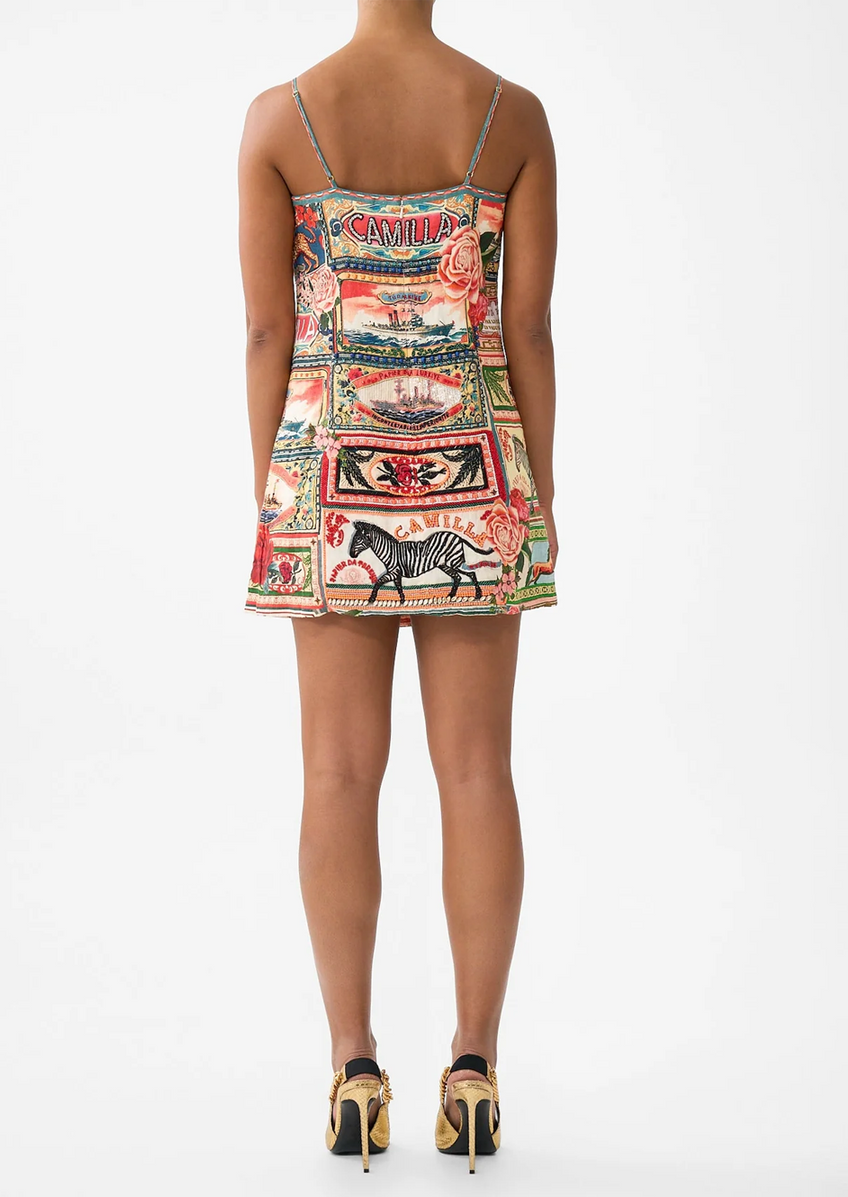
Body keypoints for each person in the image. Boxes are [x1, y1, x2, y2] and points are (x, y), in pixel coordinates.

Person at [237, 0, 558, 1173]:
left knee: (337, 773)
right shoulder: (511, 117)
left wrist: (277, 496)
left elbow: (267, 333)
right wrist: (536, 497)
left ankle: (353, 1071)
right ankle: (472, 1069)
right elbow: (530, 329)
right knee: (477, 772)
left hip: (330, 481)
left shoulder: (284, 119)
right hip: (477, 479)